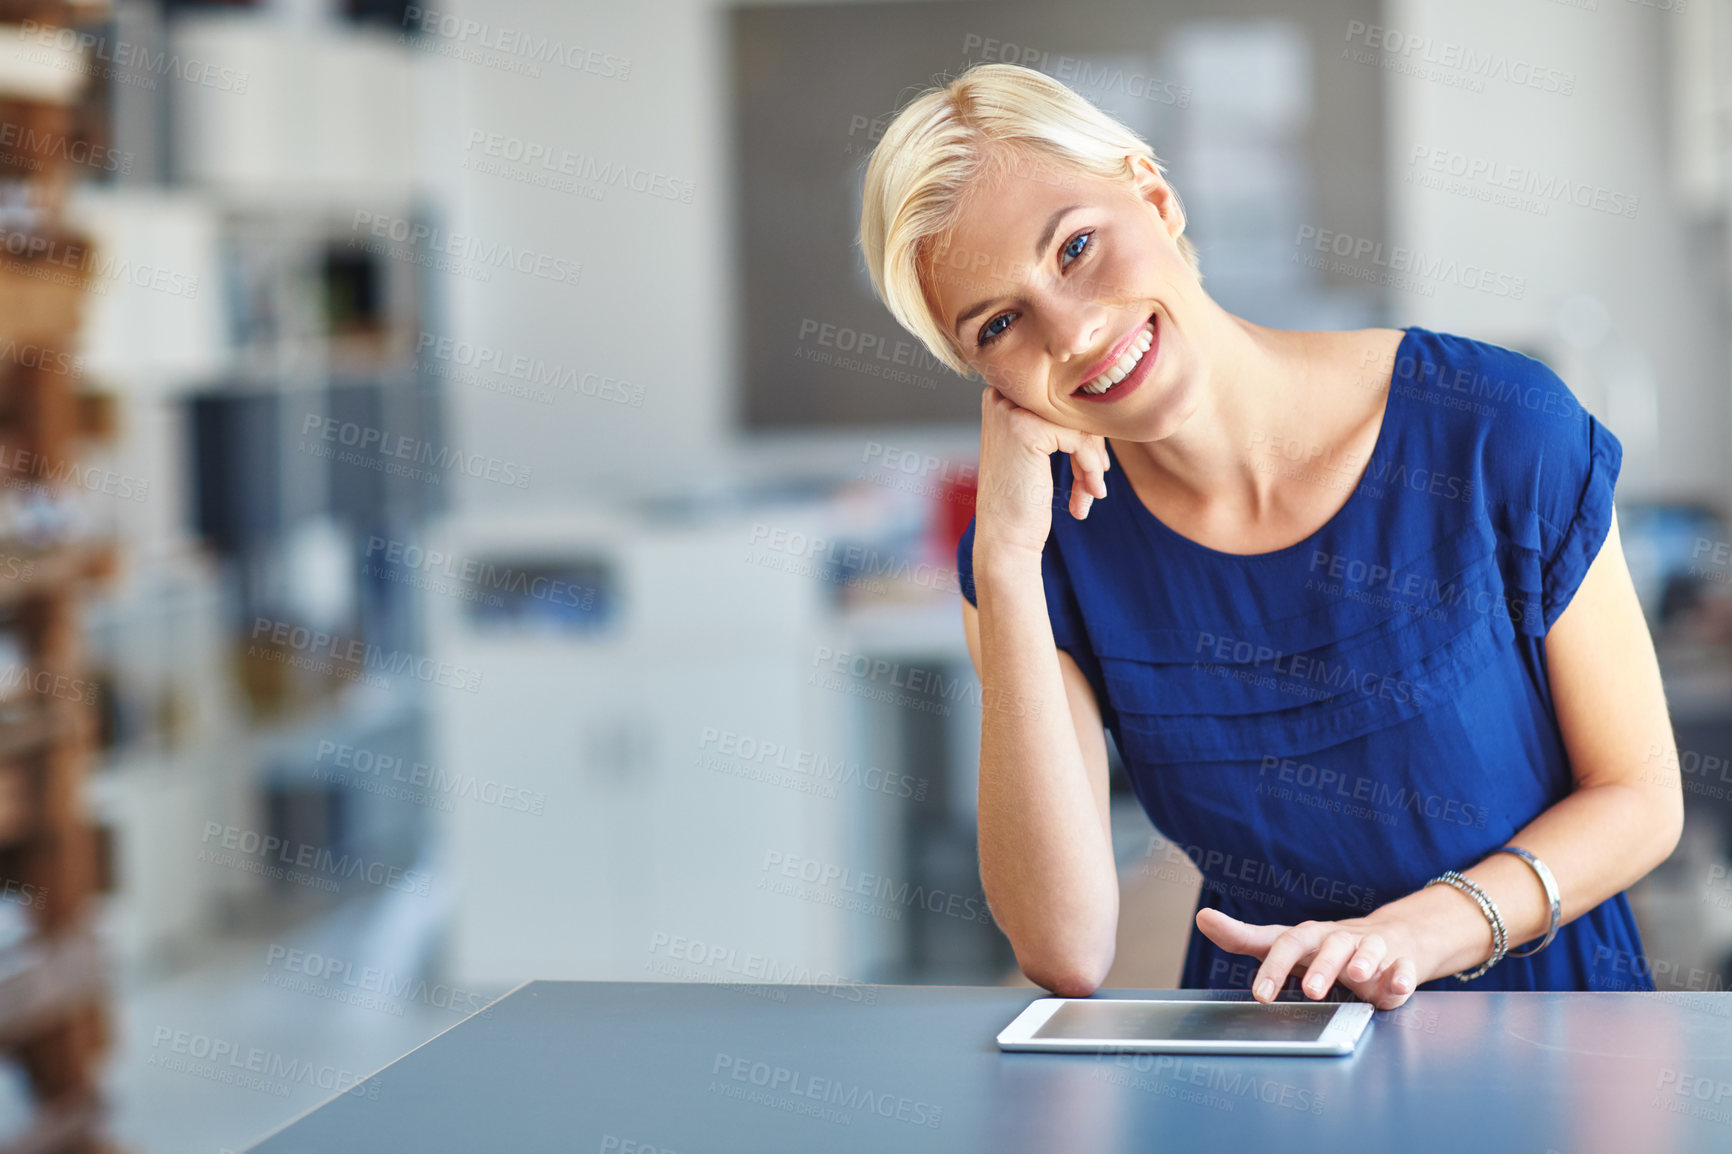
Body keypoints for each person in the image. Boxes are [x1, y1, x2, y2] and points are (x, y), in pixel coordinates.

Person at [855, 62, 1682, 1011]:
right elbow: (1066, 947)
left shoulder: (1495, 428)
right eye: (1001, 323)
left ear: (1155, 197)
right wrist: (1002, 560)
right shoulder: (1045, 552)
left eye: (1077, 246)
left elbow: (1641, 797)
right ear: (982, 374)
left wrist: (1419, 933)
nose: (1073, 332)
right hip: (1272, 1055)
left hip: (1555, 1034)